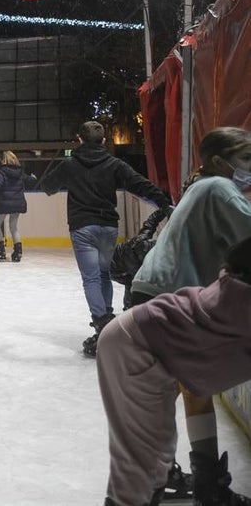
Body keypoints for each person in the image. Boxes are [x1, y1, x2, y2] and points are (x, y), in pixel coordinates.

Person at [127, 127, 251, 502]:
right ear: (219, 161)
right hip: (170, 300)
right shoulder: (218, 188)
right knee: (177, 393)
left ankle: (198, 482)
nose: (249, 168)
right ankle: (166, 482)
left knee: (194, 390)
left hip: (155, 295)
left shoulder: (200, 187)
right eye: (246, 159)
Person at [97, 235, 251, 506]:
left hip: (149, 343)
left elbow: (196, 389)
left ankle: (207, 488)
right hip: (134, 347)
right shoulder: (239, 307)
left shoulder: (230, 302)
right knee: (137, 476)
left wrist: (208, 476)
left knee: (157, 463)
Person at [38, 120, 171, 356]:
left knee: (90, 278)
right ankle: (106, 319)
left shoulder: (70, 165)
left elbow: (48, 186)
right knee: (103, 275)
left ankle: (102, 322)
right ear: (103, 141)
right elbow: (139, 183)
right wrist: (163, 200)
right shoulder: (114, 164)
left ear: (79, 139)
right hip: (107, 227)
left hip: (82, 228)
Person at [0, 150, 37, 262]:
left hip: (4, 203)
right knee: (13, 227)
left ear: (4, 160)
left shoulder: (2, 172)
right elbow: (30, 180)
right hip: (17, 203)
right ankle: (18, 252)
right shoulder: (20, 172)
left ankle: (1, 250)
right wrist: (33, 177)